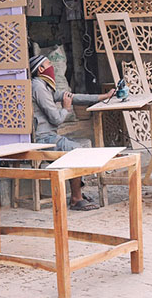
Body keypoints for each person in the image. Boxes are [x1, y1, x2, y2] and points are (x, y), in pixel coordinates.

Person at [29, 54, 114, 211]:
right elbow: (56, 119)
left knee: (76, 147)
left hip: (51, 137)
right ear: (41, 69)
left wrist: (103, 97)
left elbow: (73, 97)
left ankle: (78, 193)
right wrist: (66, 109)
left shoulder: (45, 86)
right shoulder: (38, 87)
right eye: (49, 64)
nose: (52, 67)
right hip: (43, 140)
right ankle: (76, 199)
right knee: (76, 151)